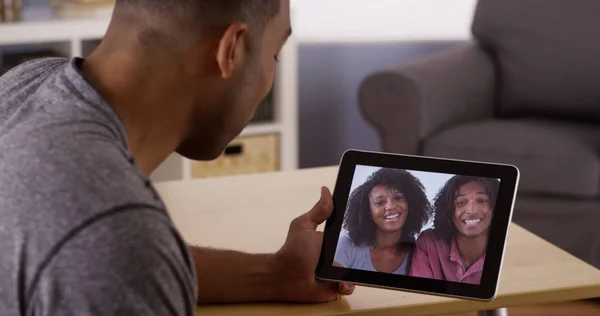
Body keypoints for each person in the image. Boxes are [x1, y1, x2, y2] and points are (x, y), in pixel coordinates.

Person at [0, 0, 355, 314]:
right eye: (274, 54)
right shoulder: (115, 238)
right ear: (230, 50)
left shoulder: (25, 84)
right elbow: (117, 253)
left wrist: (275, 274)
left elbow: (113, 261)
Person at [333, 168, 432, 275]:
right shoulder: (347, 245)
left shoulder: (418, 252)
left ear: (411, 204)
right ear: (367, 210)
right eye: (380, 202)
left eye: (398, 198)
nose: (390, 206)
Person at [409, 176, 500, 284]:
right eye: (461, 202)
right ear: (449, 210)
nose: (471, 211)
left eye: (481, 201)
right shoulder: (429, 243)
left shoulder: (508, 248)